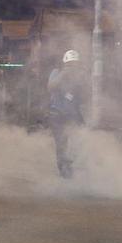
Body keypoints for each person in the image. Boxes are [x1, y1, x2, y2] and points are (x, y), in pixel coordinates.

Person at [47, 49, 85, 179]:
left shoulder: (78, 78)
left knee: (78, 142)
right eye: (70, 64)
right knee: (61, 144)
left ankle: (71, 167)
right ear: (65, 64)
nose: (72, 67)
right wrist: (64, 73)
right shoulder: (56, 73)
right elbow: (51, 87)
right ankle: (64, 172)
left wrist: (80, 119)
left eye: (75, 64)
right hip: (57, 115)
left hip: (72, 115)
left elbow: (79, 99)